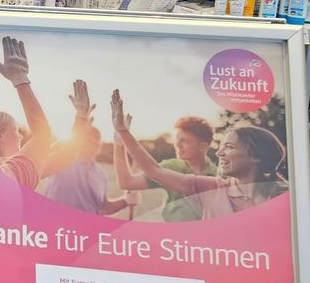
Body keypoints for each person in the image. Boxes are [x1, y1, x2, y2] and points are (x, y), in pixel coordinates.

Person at [110, 91, 287, 218]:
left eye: (229, 147)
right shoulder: (210, 187)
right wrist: (123, 133)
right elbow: (153, 170)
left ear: (254, 155)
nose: (219, 152)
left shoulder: (286, 198)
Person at [112, 115, 217, 222]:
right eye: (177, 139)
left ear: (202, 147)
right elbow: (127, 182)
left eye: (184, 141)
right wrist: (119, 143)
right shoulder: (170, 167)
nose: (177, 144)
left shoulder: (219, 175)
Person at [44, 128, 130, 216]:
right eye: (90, 136)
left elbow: (103, 208)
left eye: (98, 138)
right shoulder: (62, 161)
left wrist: (125, 201)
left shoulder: (100, 174)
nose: (95, 140)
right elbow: (49, 154)